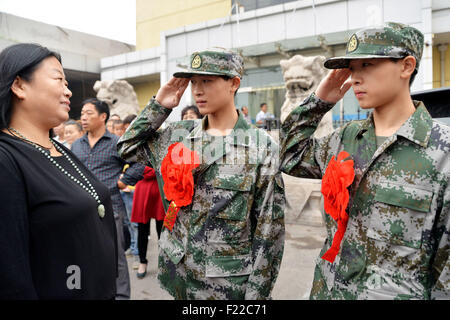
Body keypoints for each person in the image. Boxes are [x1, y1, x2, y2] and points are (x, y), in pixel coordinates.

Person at [280, 22, 449, 300]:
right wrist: (319, 102)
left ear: (406, 66)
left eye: (367, 65)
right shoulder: (344, 139)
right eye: (352, 68)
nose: (355, 77)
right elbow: (289, 155)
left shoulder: (442, 152)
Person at [118, 48, 285, 300]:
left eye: (207, 81)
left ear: (234, 84)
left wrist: (256, 297)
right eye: (194, 82)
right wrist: (159, 106)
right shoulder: (177, 136)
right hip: (181, 278)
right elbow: (126, 148)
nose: (197, 90)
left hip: (228, 285)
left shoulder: (260, 146)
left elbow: (269, 232)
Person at [0, 43, 117, 299]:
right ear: (19, 86)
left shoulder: (57, 149)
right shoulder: (6, 159)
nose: (68, 91)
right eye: (58, 79)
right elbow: (10, 275)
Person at [71, 98, 145, 300]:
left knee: (116, 255)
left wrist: (123, 181)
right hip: (82, 209)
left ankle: (121, 295)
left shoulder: (116, 143)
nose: (83, 118)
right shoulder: (77, 145)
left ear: (103, 117)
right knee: (87, 253)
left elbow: (140, 163)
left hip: (111, 205)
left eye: (89, 113)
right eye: (82, 113)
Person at [130, 166, 165, 279]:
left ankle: (164, 263)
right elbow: (135, 168)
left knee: (163, 231)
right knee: (142, 230)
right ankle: (142, 262)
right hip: (143, 189)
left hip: (161, 188)